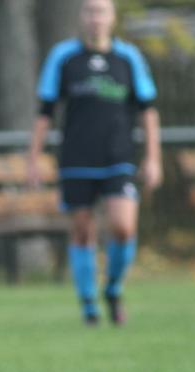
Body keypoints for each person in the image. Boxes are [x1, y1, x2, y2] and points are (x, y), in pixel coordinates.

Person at [28, 0, 161, 326]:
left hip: (118, 158)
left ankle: (113, 288)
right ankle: (89, 303)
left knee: (123, 227)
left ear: (112, 17)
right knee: (83, 231)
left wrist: (154, 158)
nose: (95, 17)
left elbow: (148, 110)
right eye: (89, 11)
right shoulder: (64, 57)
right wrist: (34, 157)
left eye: (101, 11)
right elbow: (45, 112)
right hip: (76, 158)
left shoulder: (128, 58)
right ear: (81, 17)